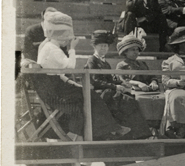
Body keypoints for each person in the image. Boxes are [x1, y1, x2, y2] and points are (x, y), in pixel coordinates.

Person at [35, 11, 128, 140]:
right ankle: (107, 129)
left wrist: (72, 83)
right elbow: (70, 66)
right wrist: (72, 48)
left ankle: (104, 130)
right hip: (55, 91)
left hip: (56, 86)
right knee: (90, 95)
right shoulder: (52, 49)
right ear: (61, 36)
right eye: (66, 38)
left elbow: (58, 73)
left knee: (88, 94)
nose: (67, 40)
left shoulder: (49, 47)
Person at [85, 30, 151, 139]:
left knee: (130, 98)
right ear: (94, 46)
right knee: (128, 101)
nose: (104, 49)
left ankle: (137, 134)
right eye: (101, 46)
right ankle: (136, 133)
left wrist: (124, 84)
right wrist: (115, 87)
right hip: (98, 94)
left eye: (106, 46)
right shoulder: (92, 60)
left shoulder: (105, 62)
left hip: (108, 91)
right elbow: (95, 80)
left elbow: (111, 79)